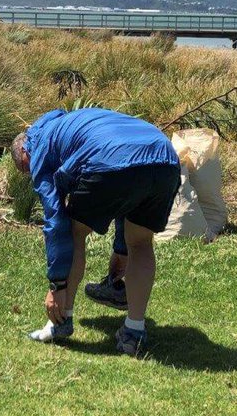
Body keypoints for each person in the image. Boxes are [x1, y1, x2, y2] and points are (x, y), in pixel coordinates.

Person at [12, 108, 180, 355]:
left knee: (73, 231)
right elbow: (131, 181)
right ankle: (133, 333)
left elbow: (56, 224)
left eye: (26, 170)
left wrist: (57, 285)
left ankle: (61, 322)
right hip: (164, 158)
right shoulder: (74, 122)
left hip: (113, 160)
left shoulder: (38, 149)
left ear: (24, 151)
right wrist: (121, 249)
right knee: (141, 243)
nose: (32, 175)